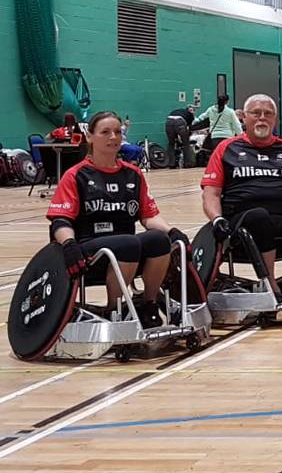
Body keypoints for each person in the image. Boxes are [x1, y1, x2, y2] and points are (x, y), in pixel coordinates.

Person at [46, 109, 183, 326]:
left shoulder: (133, 174)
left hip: (129, 251)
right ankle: (114, 310)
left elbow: (148, 216)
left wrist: (171, 231)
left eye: (118, 132)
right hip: (89, 251)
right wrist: (68, 244)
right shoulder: (76, 175)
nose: (113, 138)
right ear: (90, 137)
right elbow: (61, 220)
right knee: (127, 242)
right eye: (105, 132)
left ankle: (149, 304)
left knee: (158, 240)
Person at [200, 94, 282, 300]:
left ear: (275, 119)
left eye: (268, 114)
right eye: (256, 113)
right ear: (244, 118)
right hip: (242, 224)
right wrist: (217, 219)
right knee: (258, 216)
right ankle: (271, 286)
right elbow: (211, 193)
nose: (262, 118)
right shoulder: (226, 149)